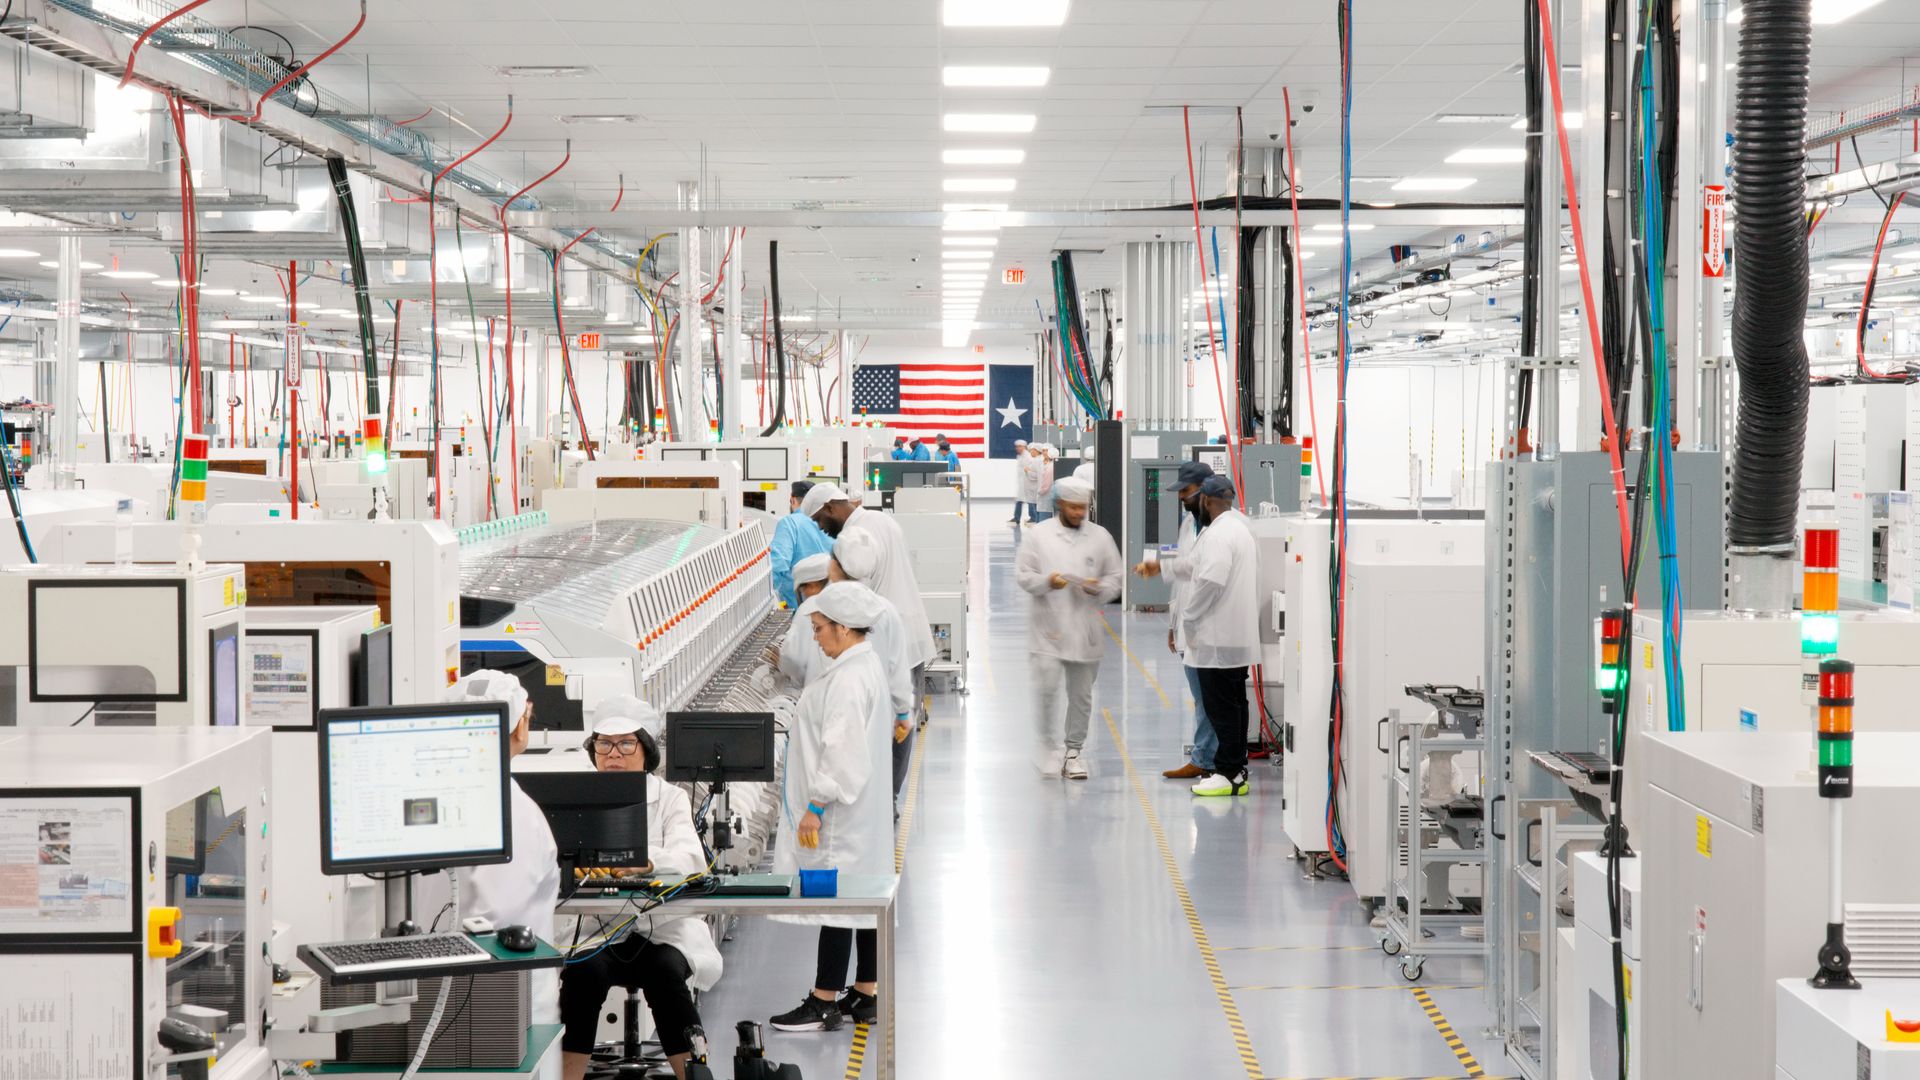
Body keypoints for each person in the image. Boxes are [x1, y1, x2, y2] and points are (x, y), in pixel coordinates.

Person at [558, 700, 722, 1080]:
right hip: (600, 930)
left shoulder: (669, 798)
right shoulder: (578, 796)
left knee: (666, 976)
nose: (613, 754)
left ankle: (694, 1074)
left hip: (661, 931)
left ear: (646, 749)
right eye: (604, 743)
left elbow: (690, 859)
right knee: (582, 976)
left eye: (625, 744)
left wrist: (647, 862)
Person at [769, 583, 895, 1033]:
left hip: (839, 811)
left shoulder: (848, 679)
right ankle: (865, 993)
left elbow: (841, 749)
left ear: (844, 628)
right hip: (861, 810)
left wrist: (816, 806)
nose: (816, 637)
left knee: (838, 900)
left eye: (820, 628)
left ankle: (823, 1000)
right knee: (861, 896)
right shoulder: (862, 665)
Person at [443, 671, 560, 1073]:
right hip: (508, 1013)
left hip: (446, 1000)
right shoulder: (516, 812)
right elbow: (501, 921)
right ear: (518, 727)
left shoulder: (442, 797)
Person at [804, 481, 936, 798]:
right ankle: (889, 799)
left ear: (831, 507)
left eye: (820, 520)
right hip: (909, 633)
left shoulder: (854, 537)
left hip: (884, 641)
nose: (821, 529)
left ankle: (883, 803)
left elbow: (853, 598)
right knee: (901, 724)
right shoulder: (882, 520)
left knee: (881, 730)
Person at [1014, 477, 1121, 780]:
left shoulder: (1099, 537)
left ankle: (1073, 752)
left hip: (1085, 631)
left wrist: (1099, 588)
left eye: (1082, 508)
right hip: (1047, 628)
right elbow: (1023, 575)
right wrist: (1047, 581)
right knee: (1047, 691)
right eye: (1073, 507)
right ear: (1059, 504)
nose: (1078, 513)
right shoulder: (1039, 535)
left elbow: (1115, 577)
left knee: (1082, 696)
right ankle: (1047, 746)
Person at [1134, 460, 1218, 779]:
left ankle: (1206, 758)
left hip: (1210, 626)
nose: (1181, 497)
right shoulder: (1188, 524)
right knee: (1201, 697)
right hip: (1188, 623)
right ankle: (1205, 754)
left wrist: (1188, 622)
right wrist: (1174, 625)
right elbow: (1183, 578)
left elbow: (1206, 578)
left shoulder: (1220, 530)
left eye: (1186, 490)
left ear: (1205, 490)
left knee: (1209, 699)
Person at [1179, 475, 1260, 797]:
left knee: (1221, 709)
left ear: (1207, 500)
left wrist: (1189, 615)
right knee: (1236, 706)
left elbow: (1210, 581)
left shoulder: (1217, 535)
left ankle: (1227, 773)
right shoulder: (1240, 530)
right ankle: (1236, 771)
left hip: (1216, 638)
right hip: (1236, 637)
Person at [770, 553, 835, 689]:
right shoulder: (844, 598)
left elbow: (793, 659)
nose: (804, 594)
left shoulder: (810, 607)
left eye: (804, 589)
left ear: (813, 584)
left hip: (821, 692)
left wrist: (777, 658)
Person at [770, 480, 837, 608]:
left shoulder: (789, 523)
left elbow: (778, 564)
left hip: (799, 606)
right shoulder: (830, 521)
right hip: (832, 604)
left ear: (793, 500)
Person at [1009, 439, 1037, 526]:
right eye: (1017, 447)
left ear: (1024, 447)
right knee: (1020, 500)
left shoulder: (1028, 457)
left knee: (1030, 500)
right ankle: (1016, 518)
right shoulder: (1020, 456)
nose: (1018, 448)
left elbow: (1031, 469)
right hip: (1022, 483)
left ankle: (1033, 518)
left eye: (1020, 446)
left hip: (1028, 482)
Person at [1031, 443, 1056, 521]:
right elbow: (1035, 476)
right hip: (1040, 496)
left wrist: (1040, 491)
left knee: (1044, 521)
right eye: (1043, 450)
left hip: (1047, 496)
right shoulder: (1040, 463)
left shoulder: (1052, 465)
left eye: (1047, 450)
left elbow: (1046, 485)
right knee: (1039, 520)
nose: (1045, 452)